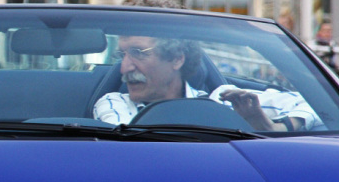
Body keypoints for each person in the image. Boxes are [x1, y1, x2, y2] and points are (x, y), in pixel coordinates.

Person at [92, 35, 320, 132]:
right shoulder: (115, 104)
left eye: (138, 53)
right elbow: (125, 142)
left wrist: (274, 127)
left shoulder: (225, 100)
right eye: (122, 55)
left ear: (177, 58)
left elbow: (322, 106)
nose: (124, 68)